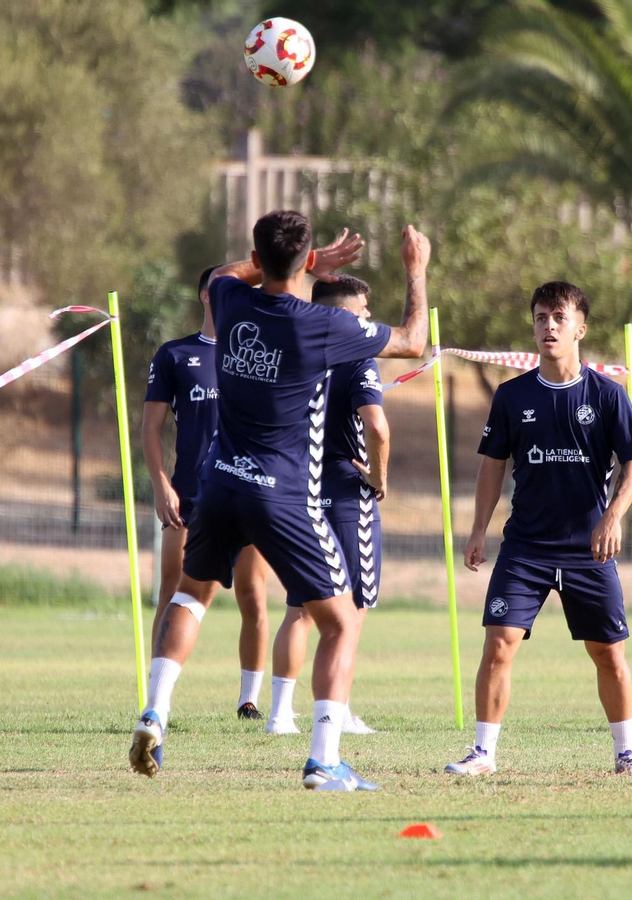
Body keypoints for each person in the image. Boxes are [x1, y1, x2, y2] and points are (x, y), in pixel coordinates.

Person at [129, 211, 427, 793]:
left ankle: (155, 712)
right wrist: (416, 269)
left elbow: (223, 272)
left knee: (190, 595)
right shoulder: (320, 324)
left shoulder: (230, 300)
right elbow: (414, 341)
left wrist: (300, 262)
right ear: (305, 259)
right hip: (282, 493)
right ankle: (324, 761)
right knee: (340, 622)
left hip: (218, 481)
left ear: (257, 257)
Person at [447, 281, 632, 779]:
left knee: (608, 653)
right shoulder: (512, 396)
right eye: (541, 317)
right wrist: (478, 529)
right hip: (525, 548)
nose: (549, 326)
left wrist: (612, 516)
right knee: (499, 643)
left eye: (560, 318)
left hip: (588, 550)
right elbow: (493, 466)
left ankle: (626, 755)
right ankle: (483, 753)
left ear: (580, 328)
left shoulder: (607, 395)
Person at [143, 264, 275, 723]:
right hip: (190, 495)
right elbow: (151, 428)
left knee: (252, 594)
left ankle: (249, 701)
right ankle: (156, 699)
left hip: (248, 491)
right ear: (207, 295)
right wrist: (161, 484)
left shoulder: (257, 354)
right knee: (175, 591)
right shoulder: (175, 355)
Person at [265, 275, 388, 737]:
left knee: (299, 606)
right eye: (362, 311)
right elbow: (377, 428)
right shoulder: (358, 358)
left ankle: (279, 715)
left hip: (298, 490)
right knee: (351, 611)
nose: (368, 319)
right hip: (345, 494)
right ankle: (337, 712)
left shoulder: (291, 356)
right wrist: (378, 478)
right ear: (340, 315)